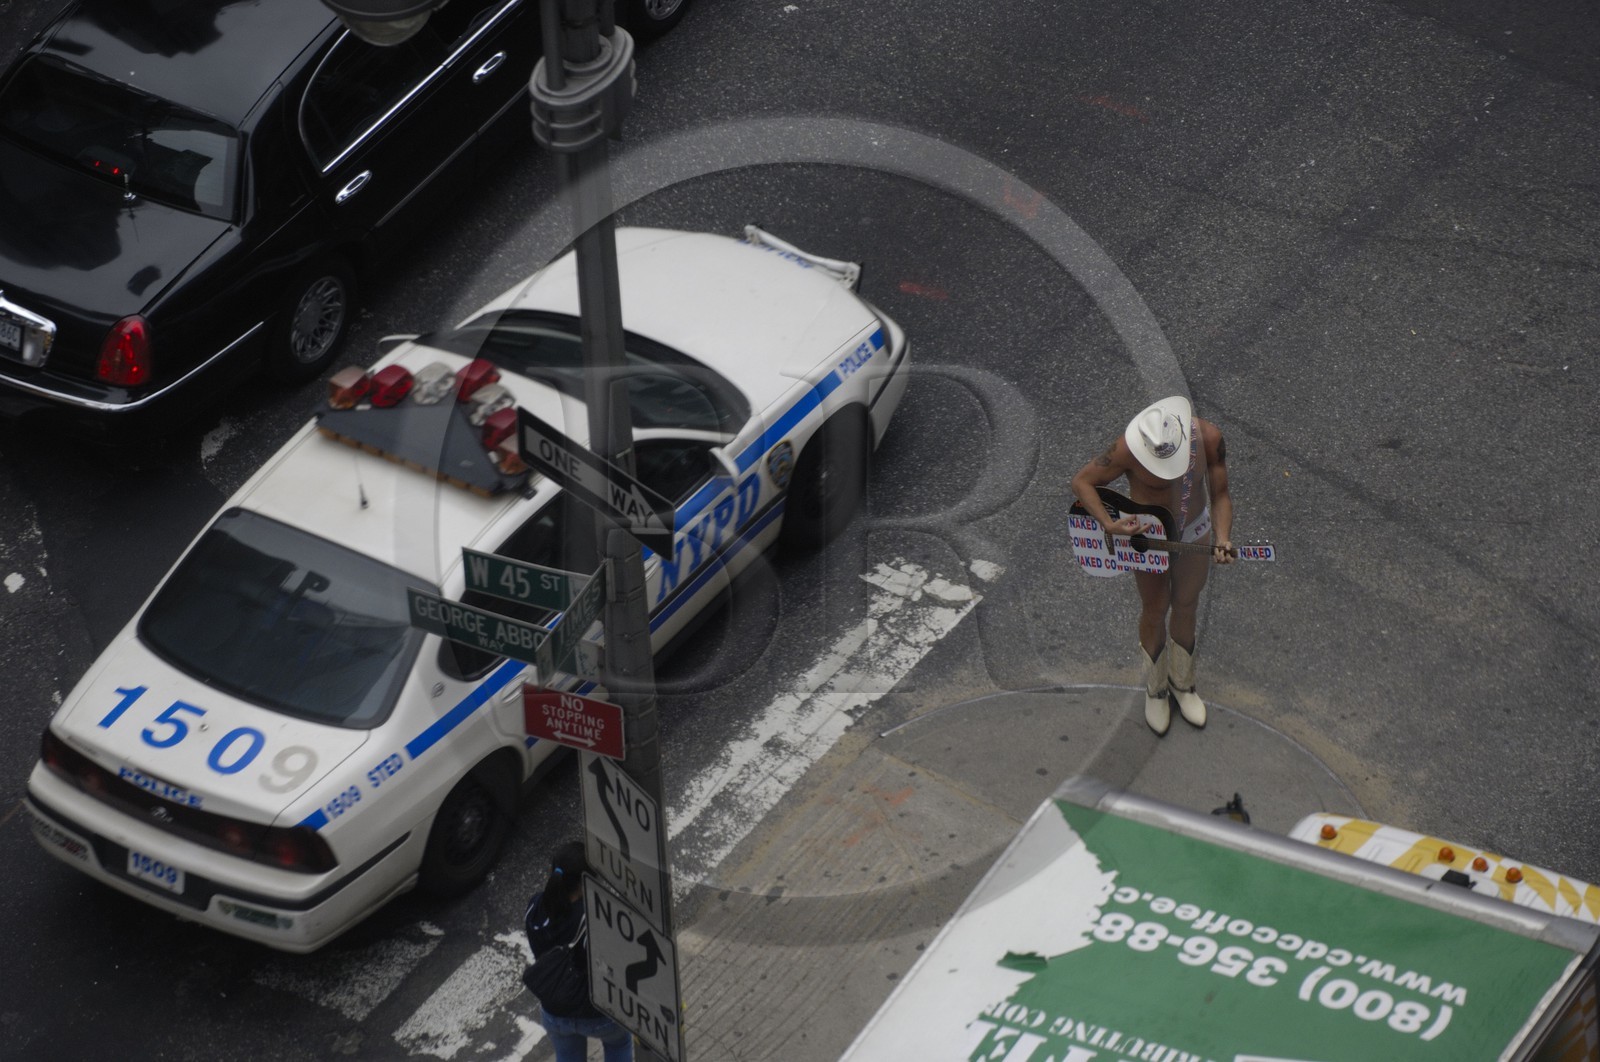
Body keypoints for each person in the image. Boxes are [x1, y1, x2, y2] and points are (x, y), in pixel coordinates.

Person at [1070, 395, 1234, 735]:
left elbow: (1220, 494)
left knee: (1187, 603)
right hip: (1151, 537)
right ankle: (1156, 688)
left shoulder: (1209, 439)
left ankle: (1182, 683)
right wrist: (1108, 523)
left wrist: (1223, 537)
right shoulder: (1126, 449)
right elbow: (1083, 482)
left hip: (1193, 531)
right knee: (1155, 609)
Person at [523, 841, 633, 1062]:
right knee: (619, 1043)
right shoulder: (592, 917)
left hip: (554, 1011)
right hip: (597, 1013)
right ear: (585, 882)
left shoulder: (534, 908)